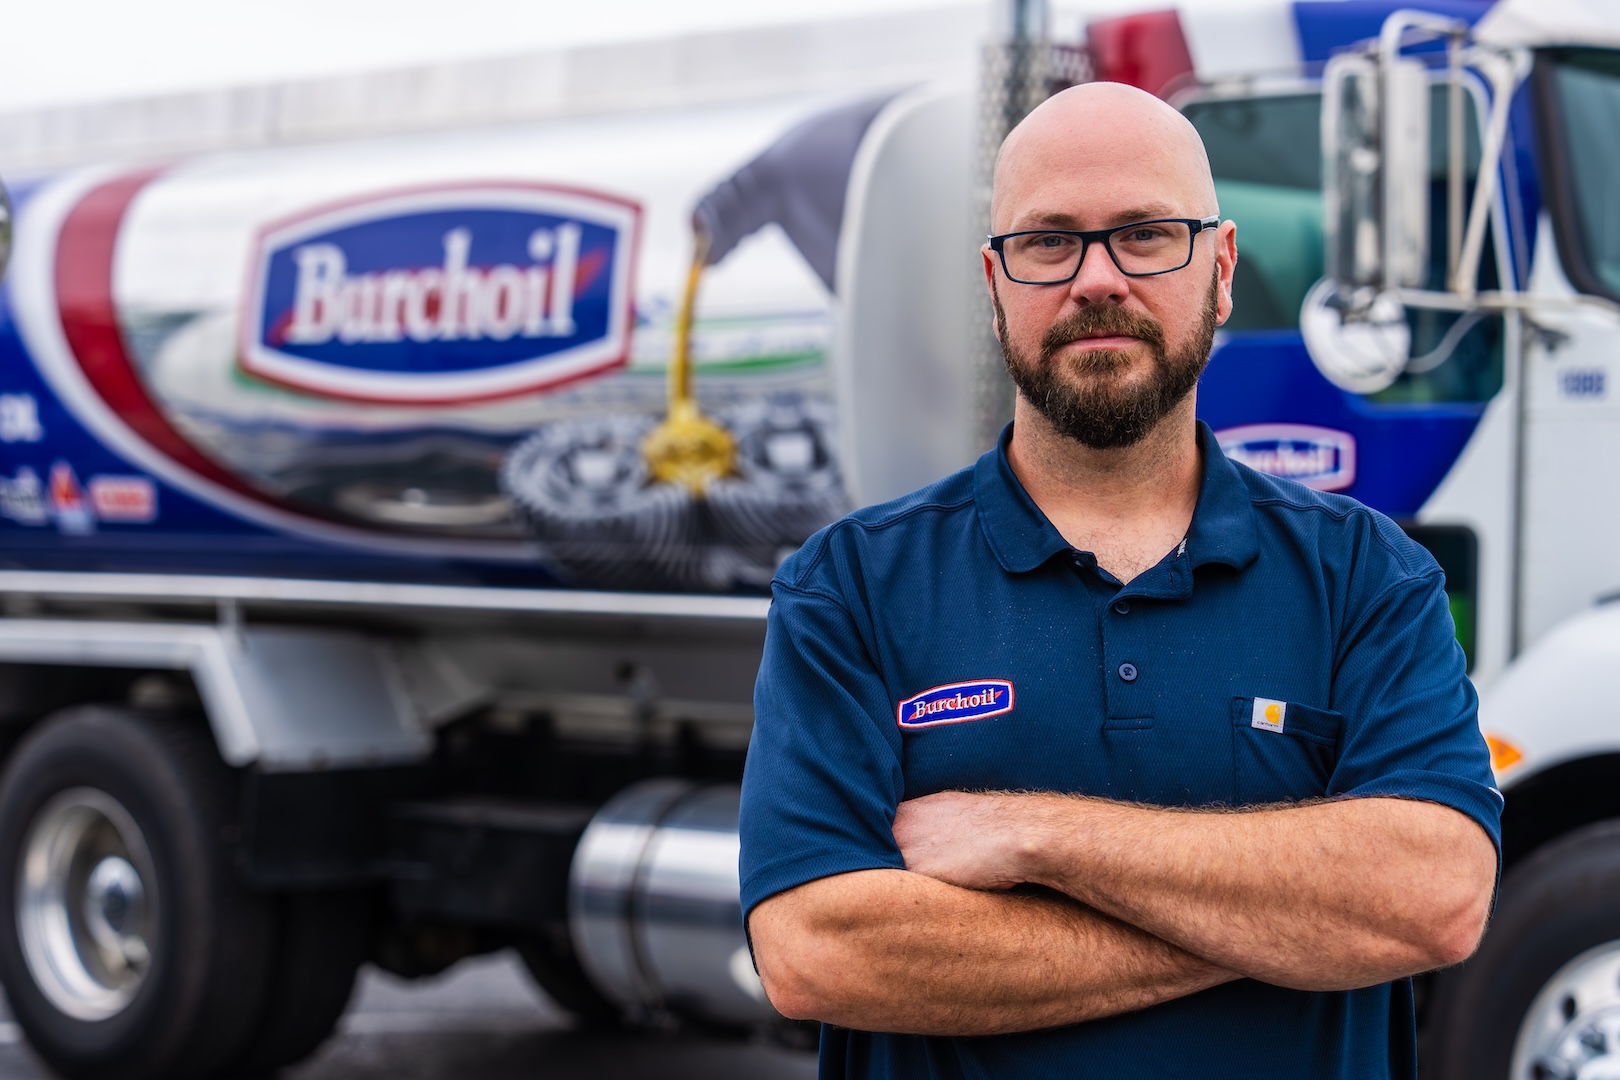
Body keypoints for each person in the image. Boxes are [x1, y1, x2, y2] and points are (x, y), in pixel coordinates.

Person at [737, 81, 1501, 1079]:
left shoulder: (1368, 578)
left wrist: (1031, 836)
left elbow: (1434, 896)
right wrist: (1290, 921)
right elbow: (816, 950)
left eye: (1146, 235)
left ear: (1221, 269)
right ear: (995, 281)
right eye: (1049, 241)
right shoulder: (852, 588)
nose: (1098, 279)